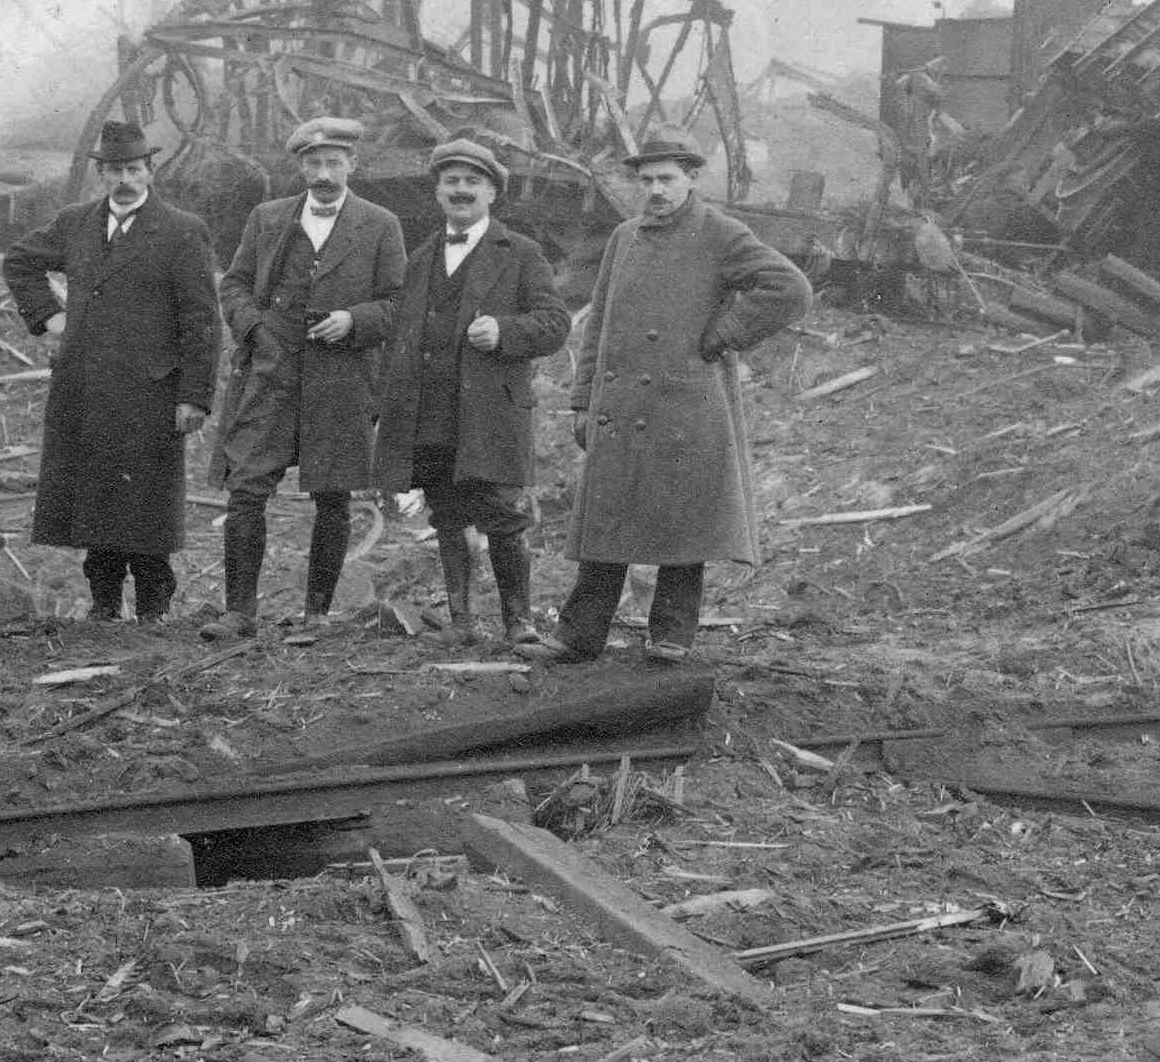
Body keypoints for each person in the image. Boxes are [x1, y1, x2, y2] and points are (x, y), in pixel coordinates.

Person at [551, 123, 812, 665]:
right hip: (620, 406)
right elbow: (598, 323)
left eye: (667, 179)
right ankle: (579, 636)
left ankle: (671, 635)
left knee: (682, 522)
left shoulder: (720, 233)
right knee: (607, 516)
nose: (656, 191)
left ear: (692, 178)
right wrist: (581, 400)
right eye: (647, 181)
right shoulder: (624, 238)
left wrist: (721, 336)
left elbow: (788, 288)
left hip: (684, 402)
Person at [2, 120, 221, 624]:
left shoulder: (183, 231)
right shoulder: (76, 222)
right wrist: (50, 318)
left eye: (134, 169)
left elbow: (201, 318)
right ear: (101, 174)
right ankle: (103, 605)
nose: (125, 179)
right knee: (94, 502)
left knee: (145, 507)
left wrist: (194, 396)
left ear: (149, 172)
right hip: (85, 385)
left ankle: (152, 610)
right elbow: (20, 262)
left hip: (151, 391)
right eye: (116, 170)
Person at [371, 135, 575, 647]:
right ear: (438, 192)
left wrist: (505, 332)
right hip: (432, 411)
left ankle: (518, 623)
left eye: (472, 182)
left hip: (490, 413)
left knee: (503, 515)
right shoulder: (419, 258)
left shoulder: (522, 253)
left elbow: (555, 325)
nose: (460, 191)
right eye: (451, 182)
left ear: (492, 194)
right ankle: (462, 623)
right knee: (448, 513)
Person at [210, 117, 408, 638]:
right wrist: (255, 328)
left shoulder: (381, 224)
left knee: (333, 494)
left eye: (334, 163)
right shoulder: (268, 218)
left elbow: (398, 302)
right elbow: (233, 285)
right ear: (300, 166)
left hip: (342, 380)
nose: (323, 173)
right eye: (314, 163)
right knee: (247, 489)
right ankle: (239, 613)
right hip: (271, 376)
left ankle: (317, 613)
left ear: (352, 166)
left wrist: (355, 320)